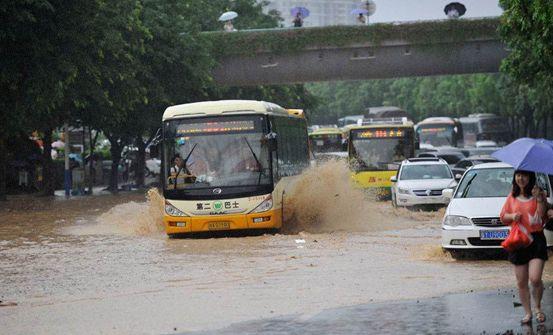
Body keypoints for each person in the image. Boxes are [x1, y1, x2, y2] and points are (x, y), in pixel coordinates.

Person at [499, 170, 548, 325]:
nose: (521, 178)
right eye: (518, 175)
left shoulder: (539, 194)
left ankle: (538, 307)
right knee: (521, 282)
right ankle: (528, 313)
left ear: (530, 178)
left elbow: (542, 217)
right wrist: (512, 217)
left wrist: (540, 199)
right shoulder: (511, 197)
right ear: (515, 178)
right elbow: (502, 217)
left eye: (524, 175)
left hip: (536, 240)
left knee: (535, 278)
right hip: (518, 241)